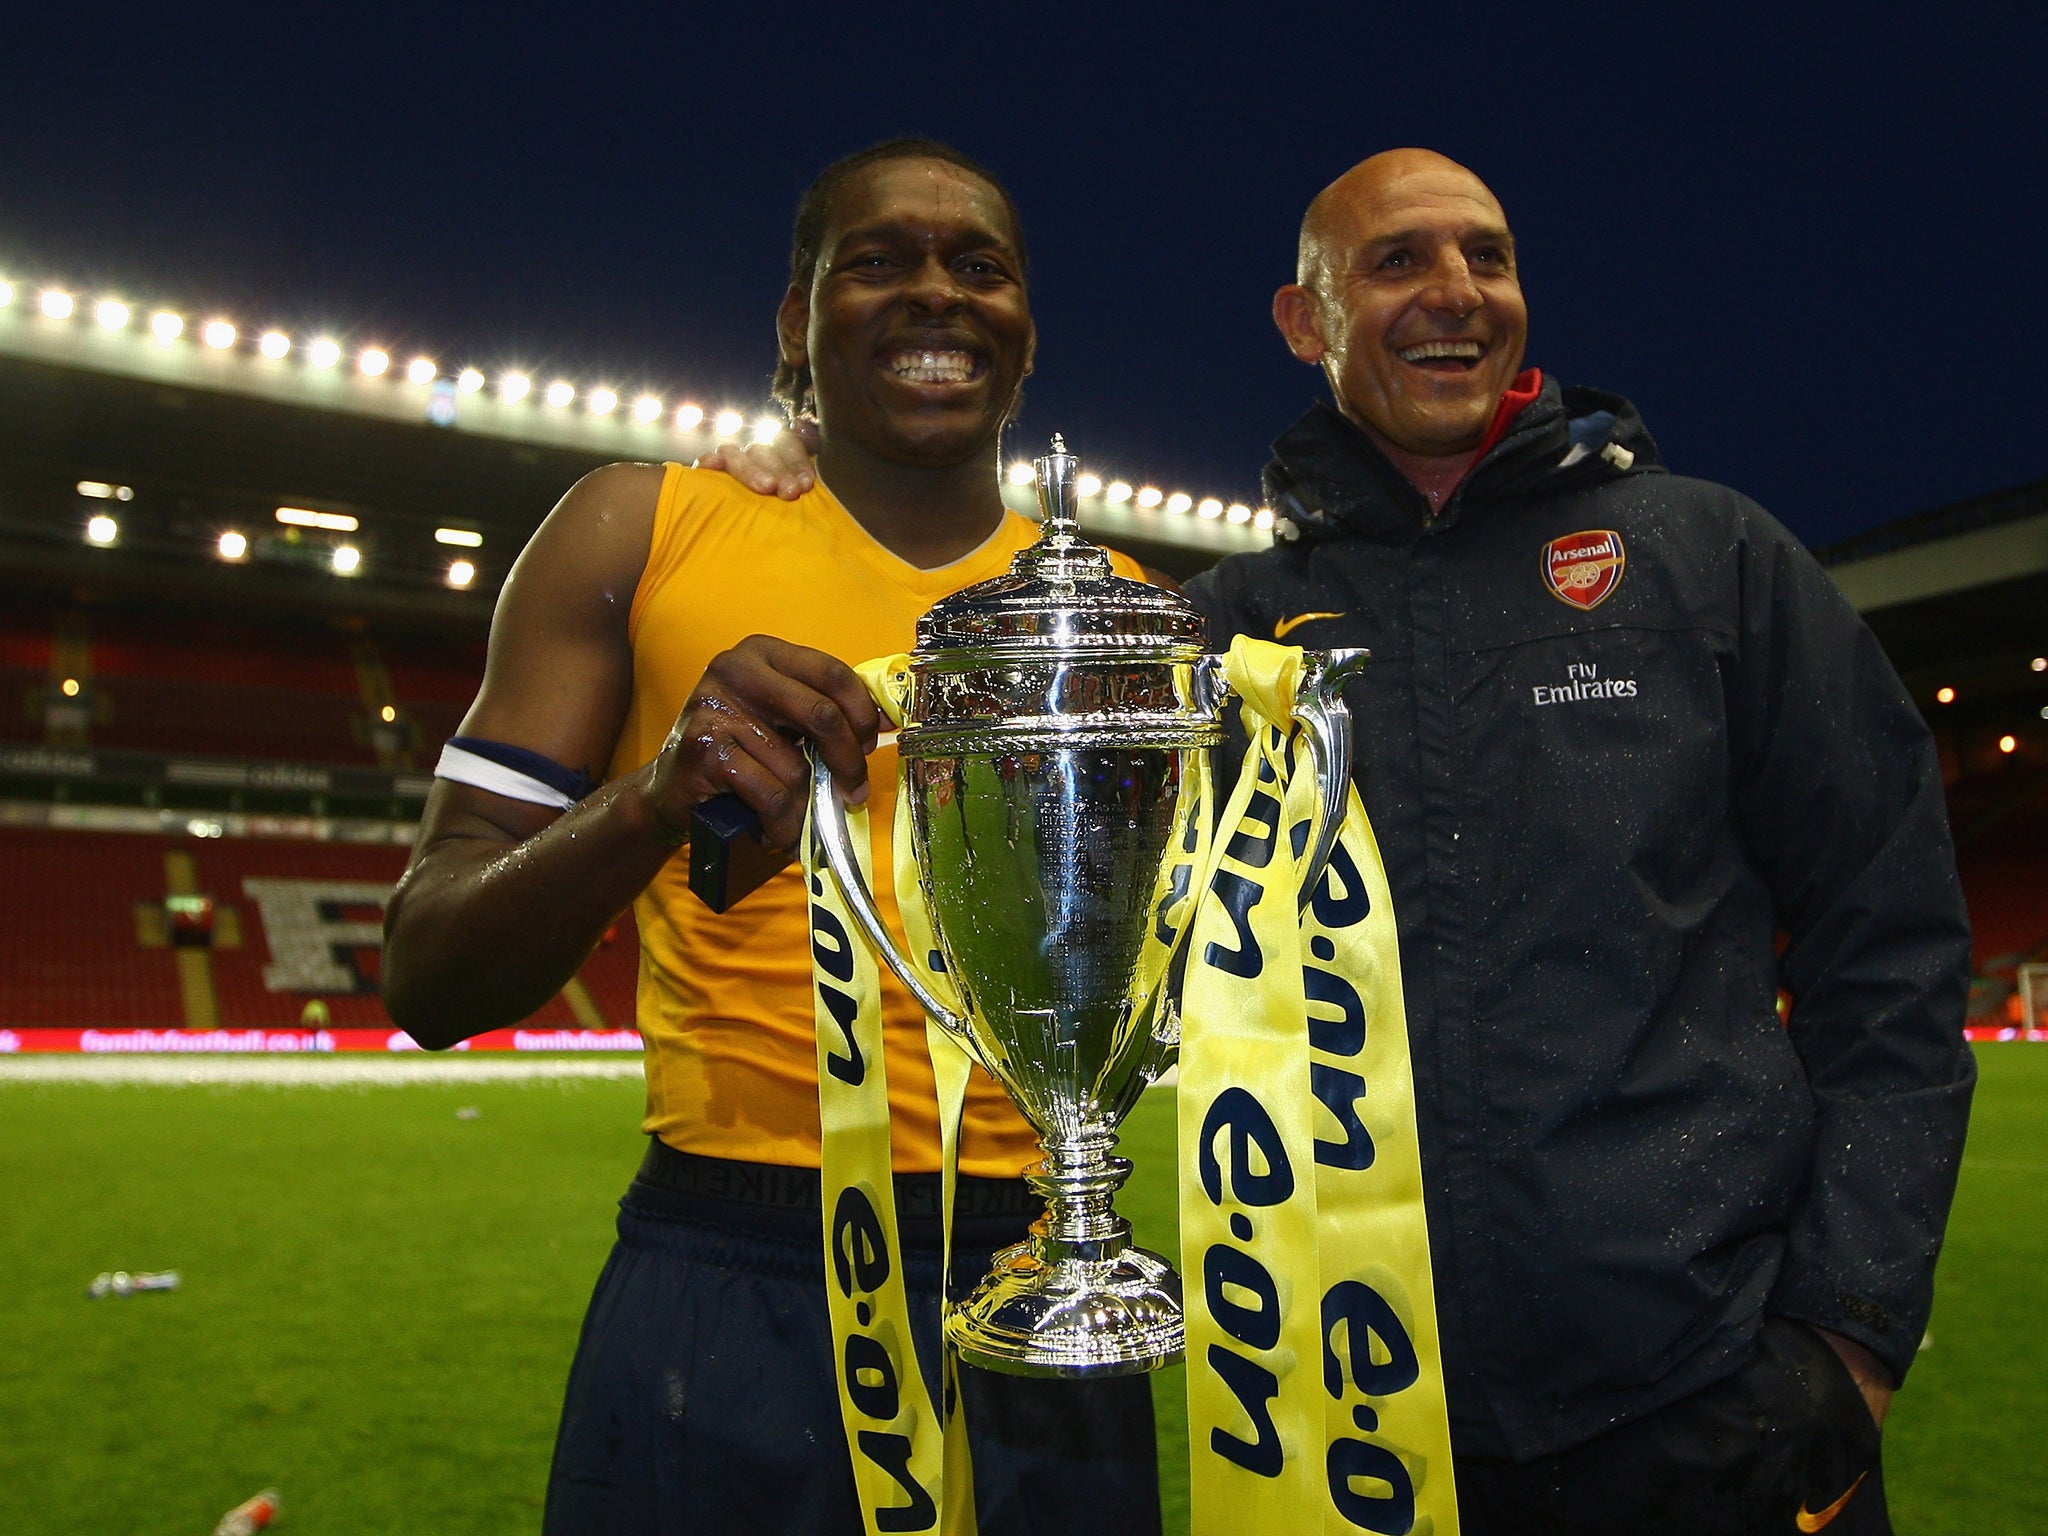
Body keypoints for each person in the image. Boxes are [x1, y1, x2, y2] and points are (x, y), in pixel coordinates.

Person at [716, 148, 1975, 1536]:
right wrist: (809, 454)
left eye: (1487, 256)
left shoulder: (1708, 560)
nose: (1458, 294)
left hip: (1710, 1402)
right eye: (1399, 263)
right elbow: (1020, 776)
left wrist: (1849, 1337)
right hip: (1351, 1427)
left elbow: (1894, 944)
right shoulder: (1222, 631)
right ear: (1304, 322)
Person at [380, 137, 1160, 1535]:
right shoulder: (642, 527)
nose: (937, 293)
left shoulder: (1117, 613)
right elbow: (427, 975)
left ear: (1026, 332)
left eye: (979, 267)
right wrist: (653, 799)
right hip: (734, 1268)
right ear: (795, 322)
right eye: (878, 261)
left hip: (1051, 1271)